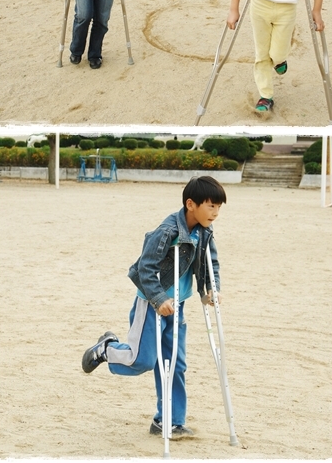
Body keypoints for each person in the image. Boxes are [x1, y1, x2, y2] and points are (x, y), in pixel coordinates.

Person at [81, 175, 227, 440]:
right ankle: (106, 350)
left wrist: (210, 290)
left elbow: (210, 263)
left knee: (174, 364)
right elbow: (143, 269)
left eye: (219, 207)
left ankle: (170, 421)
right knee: (143, 360)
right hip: (150, 304)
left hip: (178, 307)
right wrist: (159, 299)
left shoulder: (205, 232)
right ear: (190, 204)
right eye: (211, 206)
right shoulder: (167, 231)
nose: (215, 212)